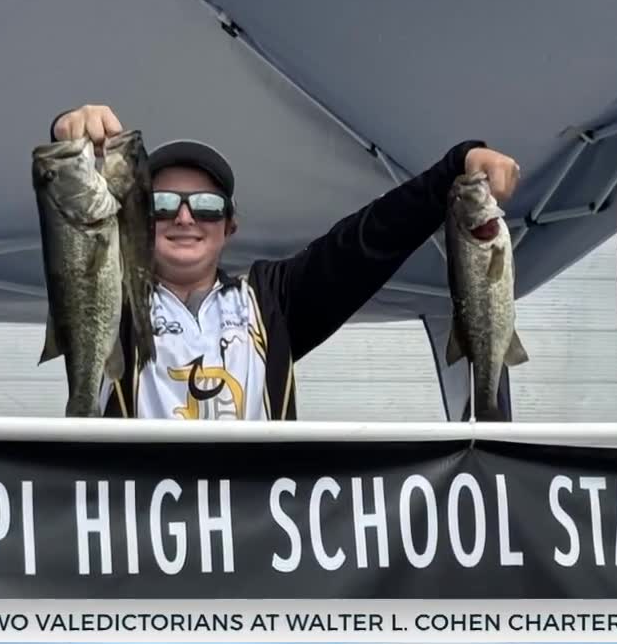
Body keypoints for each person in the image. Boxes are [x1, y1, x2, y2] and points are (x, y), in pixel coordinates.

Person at [48, 104, 521, 420]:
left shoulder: (274, 300)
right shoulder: (115, 302)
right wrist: (69, 139)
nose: (186, 217)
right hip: (140, 540)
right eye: (164, 204)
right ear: (141, 220)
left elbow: (369, 239)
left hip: (256, 543)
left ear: (229, 226)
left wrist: (455, 167)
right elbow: (71, 247)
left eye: (207, 207)